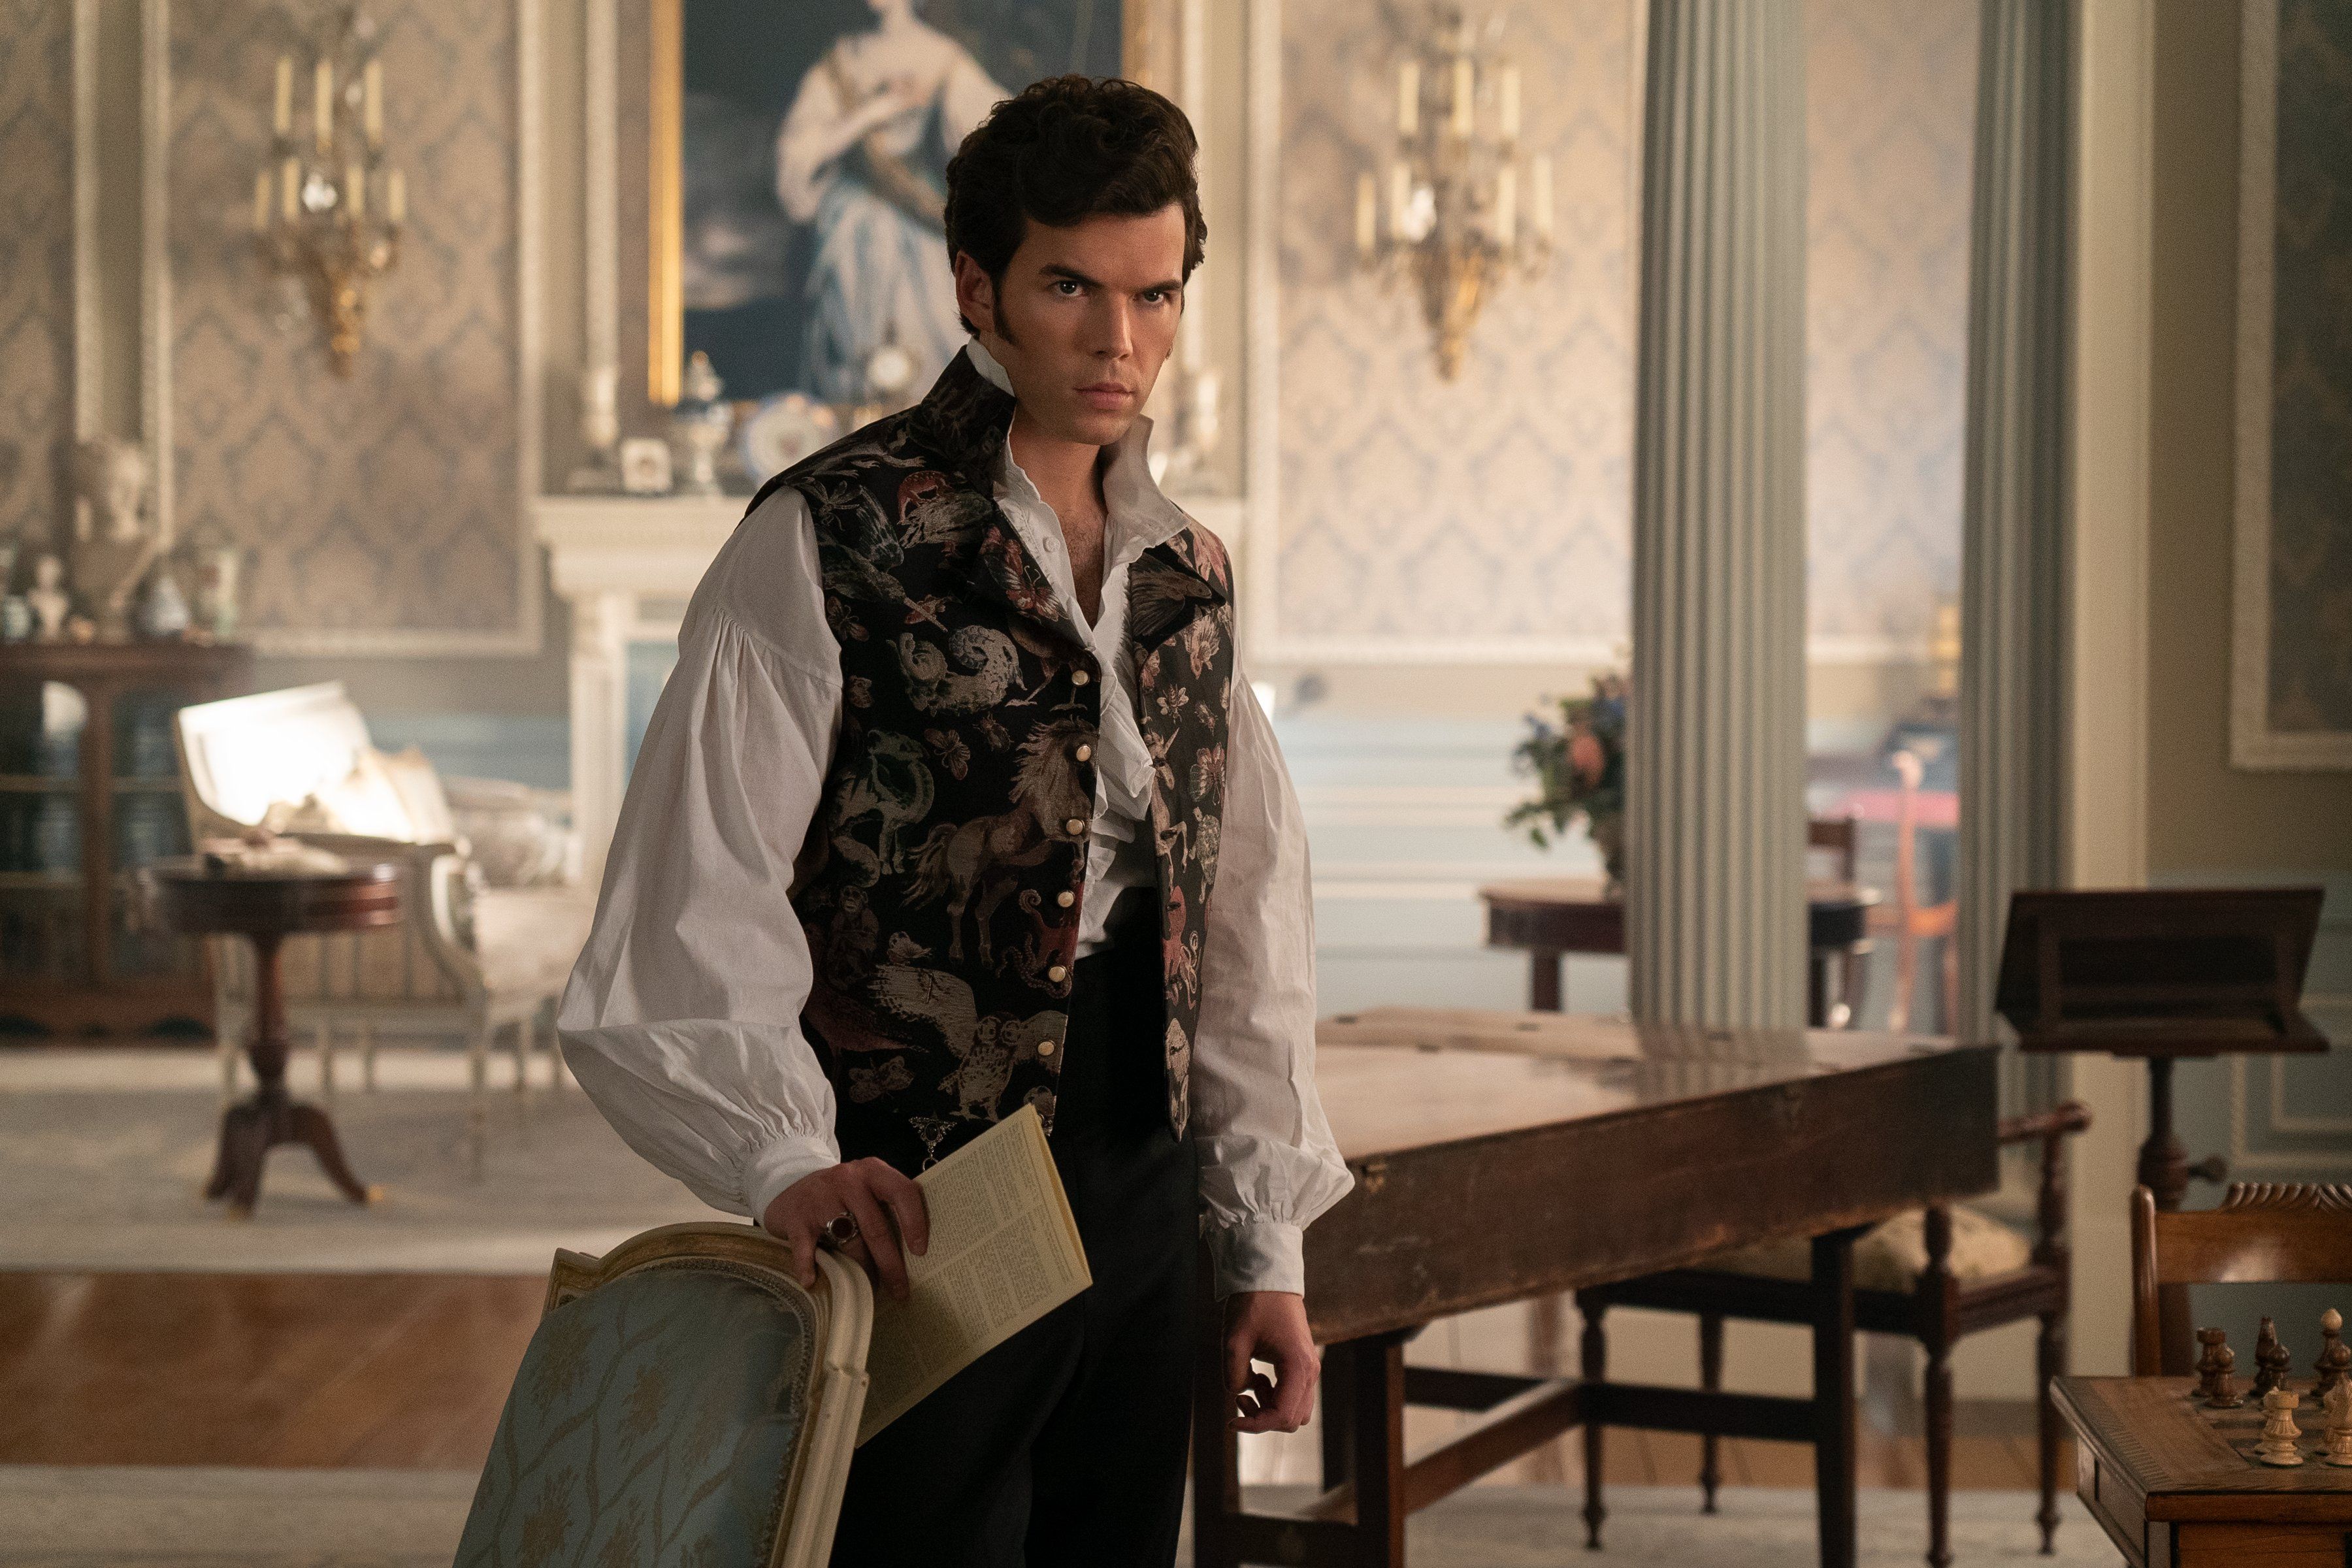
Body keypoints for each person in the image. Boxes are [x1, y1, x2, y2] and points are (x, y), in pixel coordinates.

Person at [560, 74, 1352, 1567]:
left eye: (1156, 294)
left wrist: (1266, 1245)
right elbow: (694, 891)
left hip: (1145, 1170)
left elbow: (1242, 924)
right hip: (919, 1189)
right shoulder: (825, 534)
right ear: (977, 286)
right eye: (1070, 287)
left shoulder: (1187, 574)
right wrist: (782, 1155)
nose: (1120, 342)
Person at [774, 0, 1007, 402]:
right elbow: (797, 153)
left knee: (930, 335)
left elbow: (998, 133)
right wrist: (871, 114)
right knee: (849, 351)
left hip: (918, 219)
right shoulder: (841, 60)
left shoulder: (941, 56)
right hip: (849, 224)